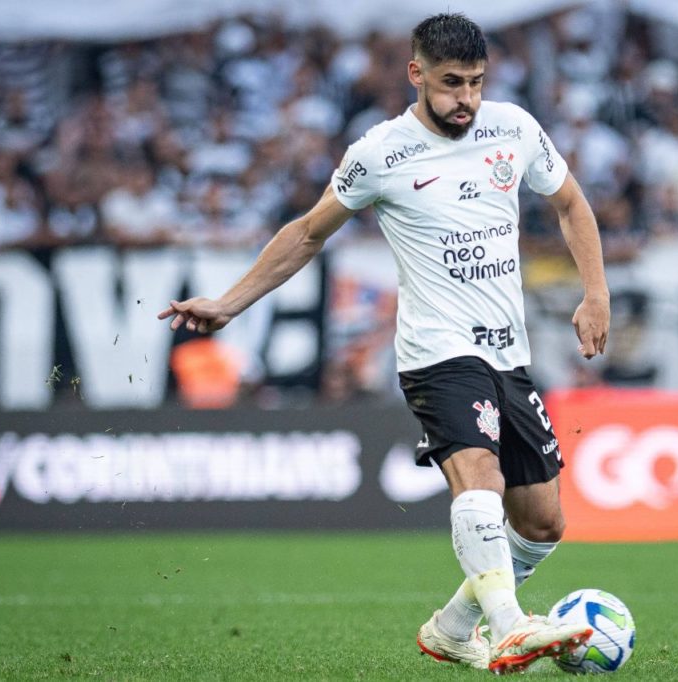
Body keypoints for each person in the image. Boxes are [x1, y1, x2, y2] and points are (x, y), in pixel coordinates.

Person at [158, 13, 610, 674]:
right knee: (477, 475)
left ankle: (455, 627)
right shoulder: (380, 153)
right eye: (452, 83)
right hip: (436, 353)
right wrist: (229, 301)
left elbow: (570, 204)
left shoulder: (513, 128)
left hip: (507, 354)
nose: (466, 99)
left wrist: (595, 292)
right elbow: (309, 232)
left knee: (542, 523)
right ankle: (511, 626)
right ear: (416, 73)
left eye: (476, 83)